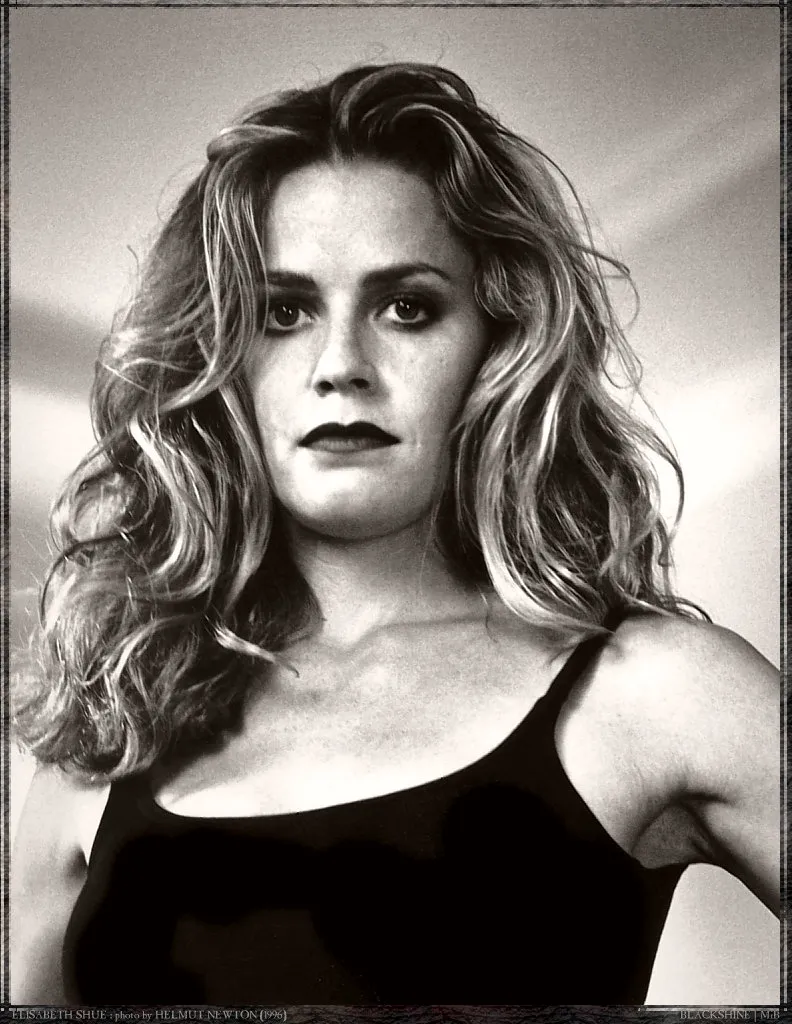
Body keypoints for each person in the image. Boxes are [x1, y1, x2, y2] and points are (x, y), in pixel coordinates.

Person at [11, 62, 778, 1006]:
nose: (342, 365)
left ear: (498, 344)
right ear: (219, 354)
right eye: (283, 312)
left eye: (407, 307)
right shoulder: (114, 725)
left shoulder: (656, 692)